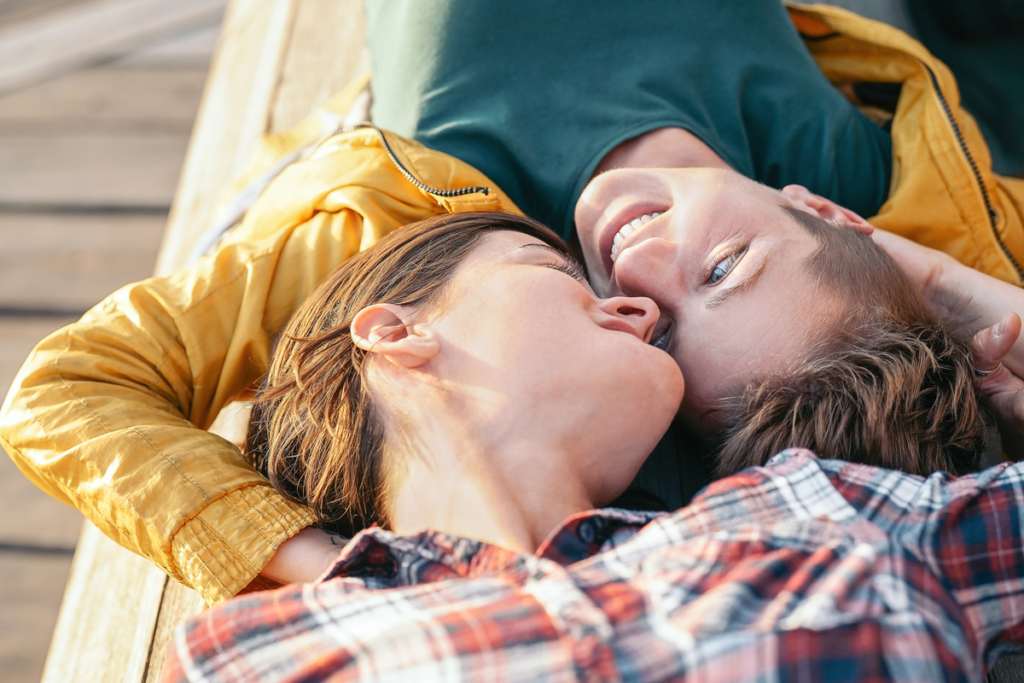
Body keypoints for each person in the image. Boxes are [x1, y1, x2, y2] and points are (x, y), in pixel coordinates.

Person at [2, 2, 1024, 606]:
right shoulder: (875, 187)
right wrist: (940, 273)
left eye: (657, 327)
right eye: (721, 270)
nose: (642, 269)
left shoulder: (421, 244)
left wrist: (314, 567)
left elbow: (67, 389)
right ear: (824, 211)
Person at [160, 212, 1024, 683]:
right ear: (396, 333)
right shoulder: (261, 650)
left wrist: (952, 291)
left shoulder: (818, 502)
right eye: (560, 281)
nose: (638, 309)